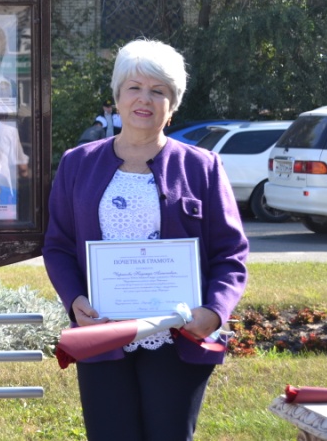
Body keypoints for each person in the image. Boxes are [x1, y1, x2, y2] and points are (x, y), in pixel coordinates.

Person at [42, 39, 249, 441]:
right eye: (134, 87)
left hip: (179, 336)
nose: (145, 99)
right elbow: (59, 245)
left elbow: (231, 253)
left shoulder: (202, 167)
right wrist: (75, 300)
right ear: (117, 98)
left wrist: (214, 311)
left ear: (173, 106)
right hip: (103, 331)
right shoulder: (76, 163)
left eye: (159, 91)